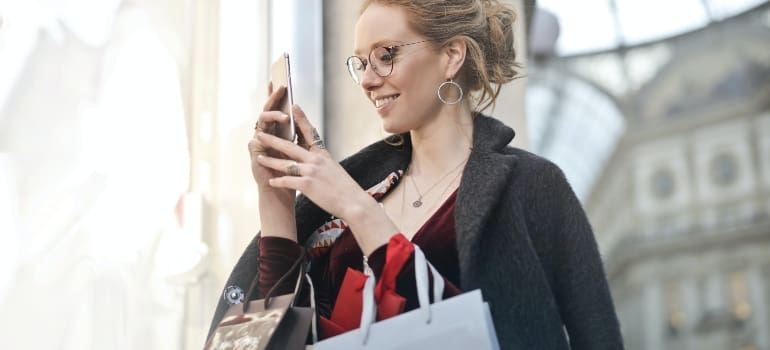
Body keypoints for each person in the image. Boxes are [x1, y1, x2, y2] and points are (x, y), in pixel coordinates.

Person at [207, 0, 624, 349]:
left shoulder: (534, 186)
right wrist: (276, 200)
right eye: (360, 63)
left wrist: (356, 208)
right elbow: (272, 337)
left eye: (386, 55)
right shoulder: (355, 189)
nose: (368, 81)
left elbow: (595, 336)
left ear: (451, 56)